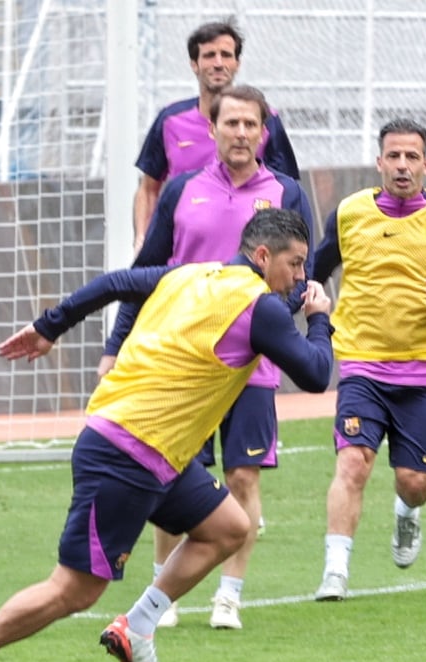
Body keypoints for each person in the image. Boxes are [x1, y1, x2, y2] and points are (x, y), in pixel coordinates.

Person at [0, 207, 334, 662]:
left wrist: (51, 325)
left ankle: (136, 627)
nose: (301, 279)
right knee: (75, 589)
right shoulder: (260, 305)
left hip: (151, 451)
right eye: (295, 265)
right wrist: (319, 319)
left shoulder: (189, 274)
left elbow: (116, 281)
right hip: (127, 452)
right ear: (263, 255)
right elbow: (316, 374)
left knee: (230, 526)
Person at [104, 84, 314, 630]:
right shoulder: (180, 190)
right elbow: (142, 272)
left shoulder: (286, 191)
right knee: (169, 470)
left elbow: (299, 273)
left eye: (250, 125)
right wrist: (115, 346)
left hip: (253, 361)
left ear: (263, 133)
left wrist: (283, 328)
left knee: (244, 477)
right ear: (213, 129)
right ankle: (164, 592)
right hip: (185, 368)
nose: (241, 133)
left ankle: (229, 595)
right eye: (231, 124)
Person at [311, 118, 426, 602]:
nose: (402, 166)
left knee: (414, 482)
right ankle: (335, 571)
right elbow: (316, 270)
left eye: (412, 157)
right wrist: (300, 302)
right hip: (362, 366)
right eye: (394, 156)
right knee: (353, 465)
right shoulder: (349, 213)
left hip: (425, 370)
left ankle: (408, 515)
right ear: (379, 161)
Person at [132, 18, 299, 253]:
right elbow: (149, 189)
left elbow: (287, 189)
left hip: (249, 253)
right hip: (186, 250)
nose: (219, 63)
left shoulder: (267, 119)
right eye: (210, 55)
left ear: (237, 63)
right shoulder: (170, 120)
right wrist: (142, 239)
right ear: (194, 64)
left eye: (226, 55)